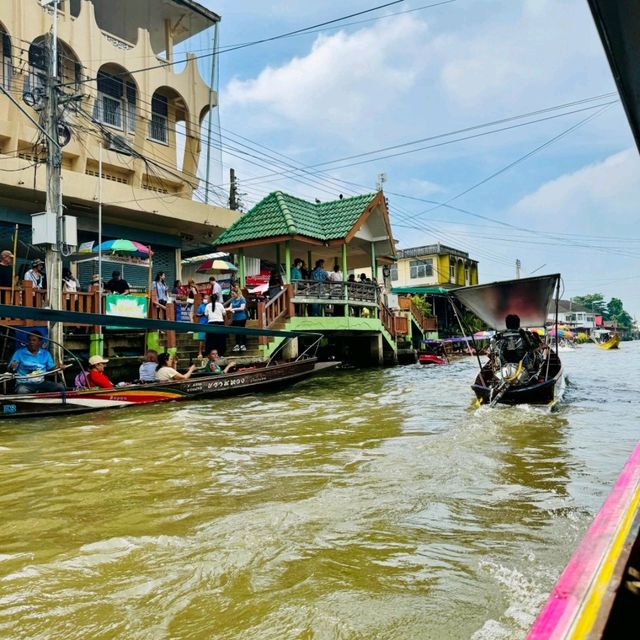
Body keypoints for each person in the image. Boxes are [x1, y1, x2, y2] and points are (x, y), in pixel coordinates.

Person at [228, 287, 248, 352]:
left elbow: (242, 308)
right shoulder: (233, 300)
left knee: (242, 330)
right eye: (232, 294)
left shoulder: (242, 299)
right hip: (235, 318)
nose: (232, 295)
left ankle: (243, 344)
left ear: (237, 293)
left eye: (233, 294)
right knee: (236, 331)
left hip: (241, 317)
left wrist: (233, 309)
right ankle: (237, 344)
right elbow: (230, 307)